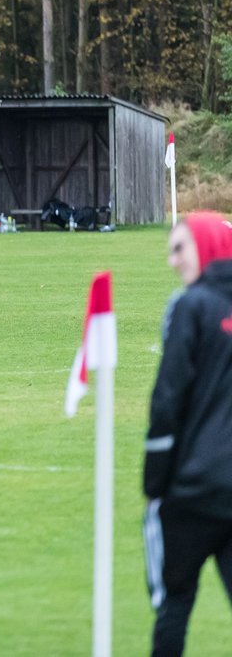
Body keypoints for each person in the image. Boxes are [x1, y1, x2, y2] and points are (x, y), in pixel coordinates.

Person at [144, 212, 232, 656]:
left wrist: (154, 486)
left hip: (193, 491)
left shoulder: (189, 306)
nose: (172, 260)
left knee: (175, 603)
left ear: (208, 247)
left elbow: (167, 402)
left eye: (180, 248)